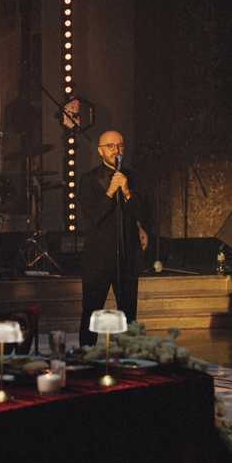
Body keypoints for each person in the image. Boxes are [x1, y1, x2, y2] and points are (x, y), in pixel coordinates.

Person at [78, 130, 151, 347]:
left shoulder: (133, 178)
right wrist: (110, 191)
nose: (116, 150)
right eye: (110, 146)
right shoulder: (89, 179)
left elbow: (144, 215)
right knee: (91, 312)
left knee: (128, 315)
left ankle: (129, 356)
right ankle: (87, 354)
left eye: (120, 146)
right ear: (100, 151)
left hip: (127, 256)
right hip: (97, 258)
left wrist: (127, 192)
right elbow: (92, 217)